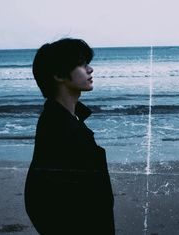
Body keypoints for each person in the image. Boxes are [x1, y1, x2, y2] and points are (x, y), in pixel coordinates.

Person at [24, 38, 115, 234]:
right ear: (58, 75)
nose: (90, 69)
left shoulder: (62, 120)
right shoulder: (62, 129)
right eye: (82, 64)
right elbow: (37, 196)